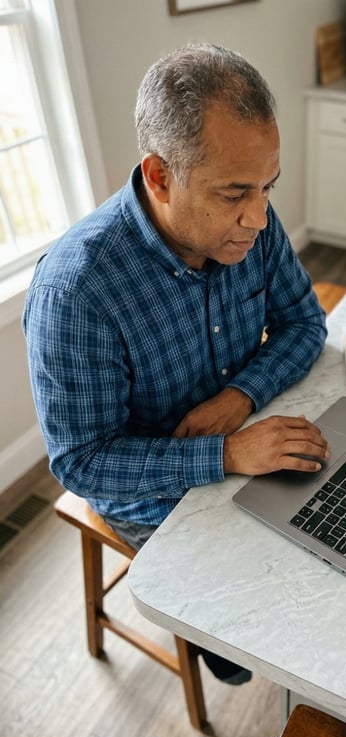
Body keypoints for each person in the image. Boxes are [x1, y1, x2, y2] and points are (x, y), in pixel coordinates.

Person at [23, 43, 329, 686]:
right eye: (235, 194)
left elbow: (306, 323)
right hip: (148, 486)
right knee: (277, 603)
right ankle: (226, 641)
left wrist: (241, 397)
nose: (260, 218)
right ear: (160, 176)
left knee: (331, 543)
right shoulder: (76, 292)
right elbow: (82, 461)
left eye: (269, 187)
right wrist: (225, 456)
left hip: (247, 431)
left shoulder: (252, 221)